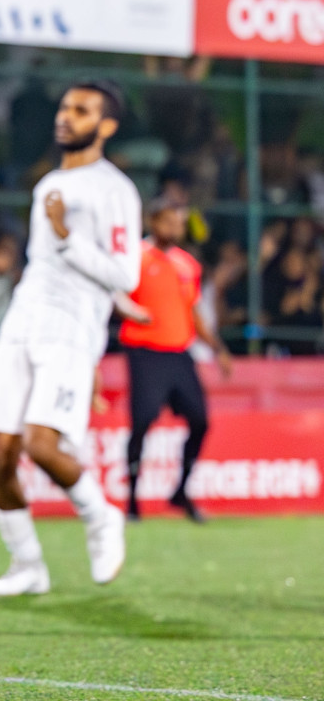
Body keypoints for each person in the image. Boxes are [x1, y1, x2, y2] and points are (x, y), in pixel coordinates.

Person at [0, 81, 141, 597]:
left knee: (42, 446)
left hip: (69, 328)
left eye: (81, 110)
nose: (65, 116)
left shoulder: (115, 190)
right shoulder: (48, 184)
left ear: (106, 126)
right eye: (64, 107)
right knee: (0, 452)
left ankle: (100, 514)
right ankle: (28, 566)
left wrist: (68, 236)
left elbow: (125, 273)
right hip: (22, 320)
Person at [114, 196, 233, 523]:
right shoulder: (134, 257)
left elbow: (195, 313)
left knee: (200, 420)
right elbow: (115, 291)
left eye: (179, 221)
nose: (175, 227)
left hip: (180, 354)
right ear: (154, 222)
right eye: (170, 220)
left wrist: (218, 348)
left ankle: (181, 491)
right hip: (145, 352)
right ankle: (133, 503)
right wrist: (129, 310)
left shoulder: (187, 265)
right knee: (141, 424)